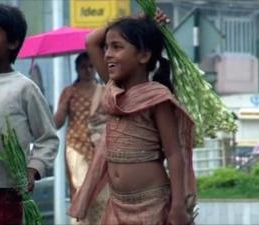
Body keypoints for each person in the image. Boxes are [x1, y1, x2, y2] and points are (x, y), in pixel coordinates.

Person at [69, 11, 197, 225]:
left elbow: (175, 154)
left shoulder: (156, 97)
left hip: (153, 204)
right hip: (117, 204)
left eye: (117, 47)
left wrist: (177, 207)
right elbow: (91, 41)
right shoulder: (112, 90)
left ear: (144, 56)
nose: (108, 54)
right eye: (107, 47)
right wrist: (139, 18)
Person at [0, 4, 59, 225]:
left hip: (11, 194)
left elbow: (48, 138)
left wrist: (33, 170)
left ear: (13, 42)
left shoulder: (24, 88)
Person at [54, 52, 108, 225]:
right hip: (76, 147)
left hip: (101, 148)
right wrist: (63, 104)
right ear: (77, 69)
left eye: (91, 66)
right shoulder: (69, 92)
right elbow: (57, 123)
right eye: (83, 66)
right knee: (81, 191)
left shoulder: (105, 91)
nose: (88, 70)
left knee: (102, 195)